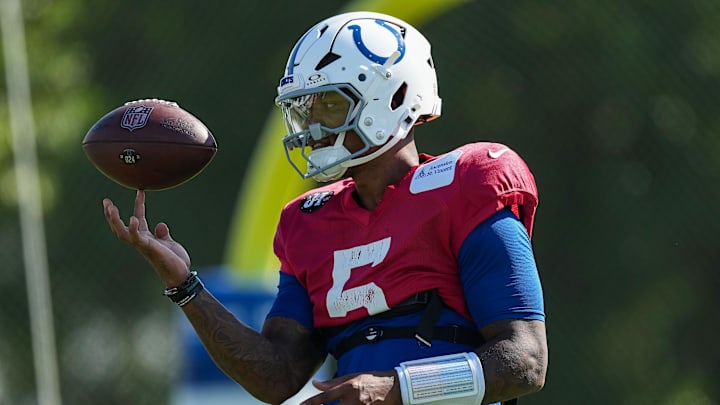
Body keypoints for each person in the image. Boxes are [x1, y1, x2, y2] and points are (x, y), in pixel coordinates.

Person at [103, 11, 547, 405]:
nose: (311, 127)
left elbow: (525, 361)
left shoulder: (469, 185)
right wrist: (184, 285)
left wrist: (394, 389)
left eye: (330, 105)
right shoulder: (308, 223)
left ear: (393, 98)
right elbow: (277, 377)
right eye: (305, 108)